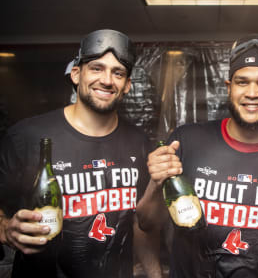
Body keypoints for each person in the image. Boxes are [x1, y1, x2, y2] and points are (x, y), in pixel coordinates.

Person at [137, 36, 258, 277]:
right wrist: (155, 183)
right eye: (242, 82)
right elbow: (147, 223)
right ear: (228, 88)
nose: (252, 93)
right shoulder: (188, 141)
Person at [0, 29, 153, 277]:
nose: (106, 80)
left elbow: (142, 223)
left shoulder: (139, 142)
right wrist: (6, 229)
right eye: (96, 68)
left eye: (118, 73)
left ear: (127, 86)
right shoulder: (26, 137)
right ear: (76, 74)